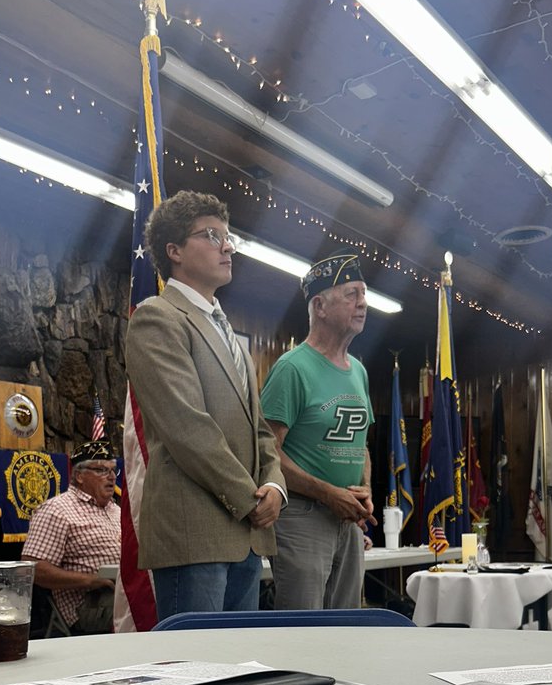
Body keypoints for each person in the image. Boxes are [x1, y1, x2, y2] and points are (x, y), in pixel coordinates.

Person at [124, 190, 285, 620]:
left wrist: (274, 486)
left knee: (237, 674)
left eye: (228, 237)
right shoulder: (157, 317)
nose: (227, 246)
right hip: (193, 533)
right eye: (211, 235)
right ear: (173, 250)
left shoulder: (225, 329)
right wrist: (248, 498)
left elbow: (259, 430)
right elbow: (187, 427)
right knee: (196, 676)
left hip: (245, 531)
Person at [260, 251, 376, 610]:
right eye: (352, 294)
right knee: (303, 630)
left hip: (348, 519)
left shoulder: (358, 370)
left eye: (364, 294)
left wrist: (365, 488)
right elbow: (267, 452)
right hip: (302, 516)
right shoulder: (292, 368)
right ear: (320, 306)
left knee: (346, 629)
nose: (363, 303)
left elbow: (362, 445)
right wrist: (327, 493)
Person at [22, 438, 120, 634]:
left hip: (123, 592)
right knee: (152, 608)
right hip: (91, 603)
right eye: (101, 470)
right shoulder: (57, 509)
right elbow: (33, 568)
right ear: (80, 476)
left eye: (113, 470)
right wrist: (91, 580)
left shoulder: (116, 509)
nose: (111, 477)